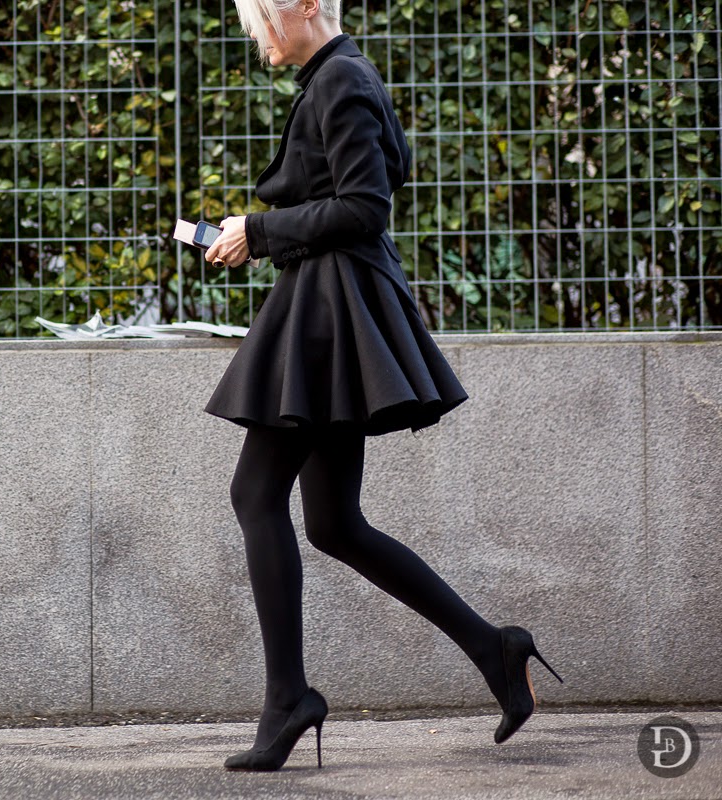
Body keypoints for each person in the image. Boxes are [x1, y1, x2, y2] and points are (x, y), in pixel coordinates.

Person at [201, 0, 563, 772]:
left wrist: (259, 231)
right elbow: (341, 196)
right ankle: (494, 648)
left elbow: (364, 207)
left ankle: (288, 698)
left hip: (330, 315)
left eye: (261, 16)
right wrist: (255, 234)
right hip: (329, 311)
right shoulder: (335, 77)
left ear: (306, 6)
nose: (256, 34)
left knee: (256, 496)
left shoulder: (342, 80)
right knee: (333, 523)